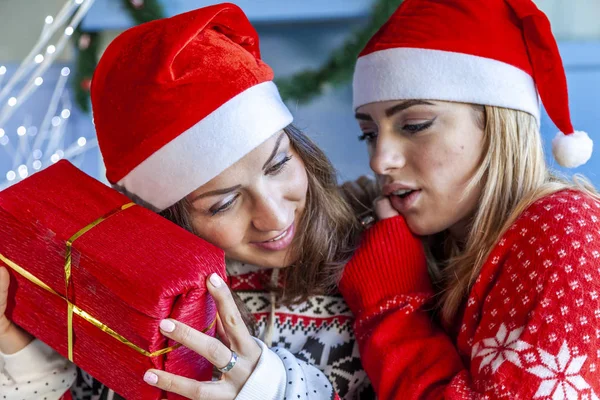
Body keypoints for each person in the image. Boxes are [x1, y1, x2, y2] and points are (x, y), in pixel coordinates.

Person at [0, 3, 375, 399]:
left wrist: (275, 388)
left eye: (279, 163)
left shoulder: (377, 257)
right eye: (224, 203)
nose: (275, 215)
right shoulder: (122, 300)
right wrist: (18, 347)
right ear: (164, 220)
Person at [338, 0, 600, 398]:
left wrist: (393, 305)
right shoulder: (426, 242)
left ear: (496, 123)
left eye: (415, 125)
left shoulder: (566, 227)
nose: (380, 159)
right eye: (369, 133)